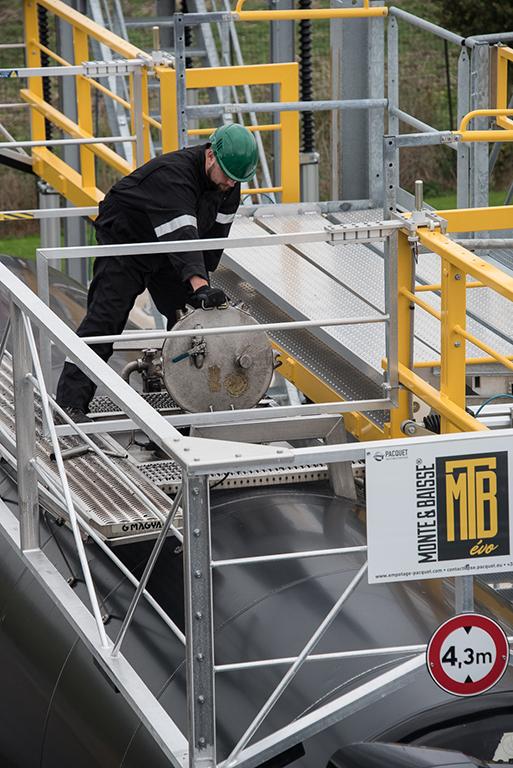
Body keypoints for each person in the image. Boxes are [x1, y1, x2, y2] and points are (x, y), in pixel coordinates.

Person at [55, 123, 258, 422]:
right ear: (211, 155)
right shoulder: (174, 176)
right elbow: (183, 235)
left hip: (167, 252)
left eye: (237, 179)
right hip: (127, 244)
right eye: (227, 175)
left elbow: (213, 238)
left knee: (189, 320)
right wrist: (199, 285)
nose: (230, 183)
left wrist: (203, 290)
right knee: (104, 322)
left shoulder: (229, 182)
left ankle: (191, 399)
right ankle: (69, 407)